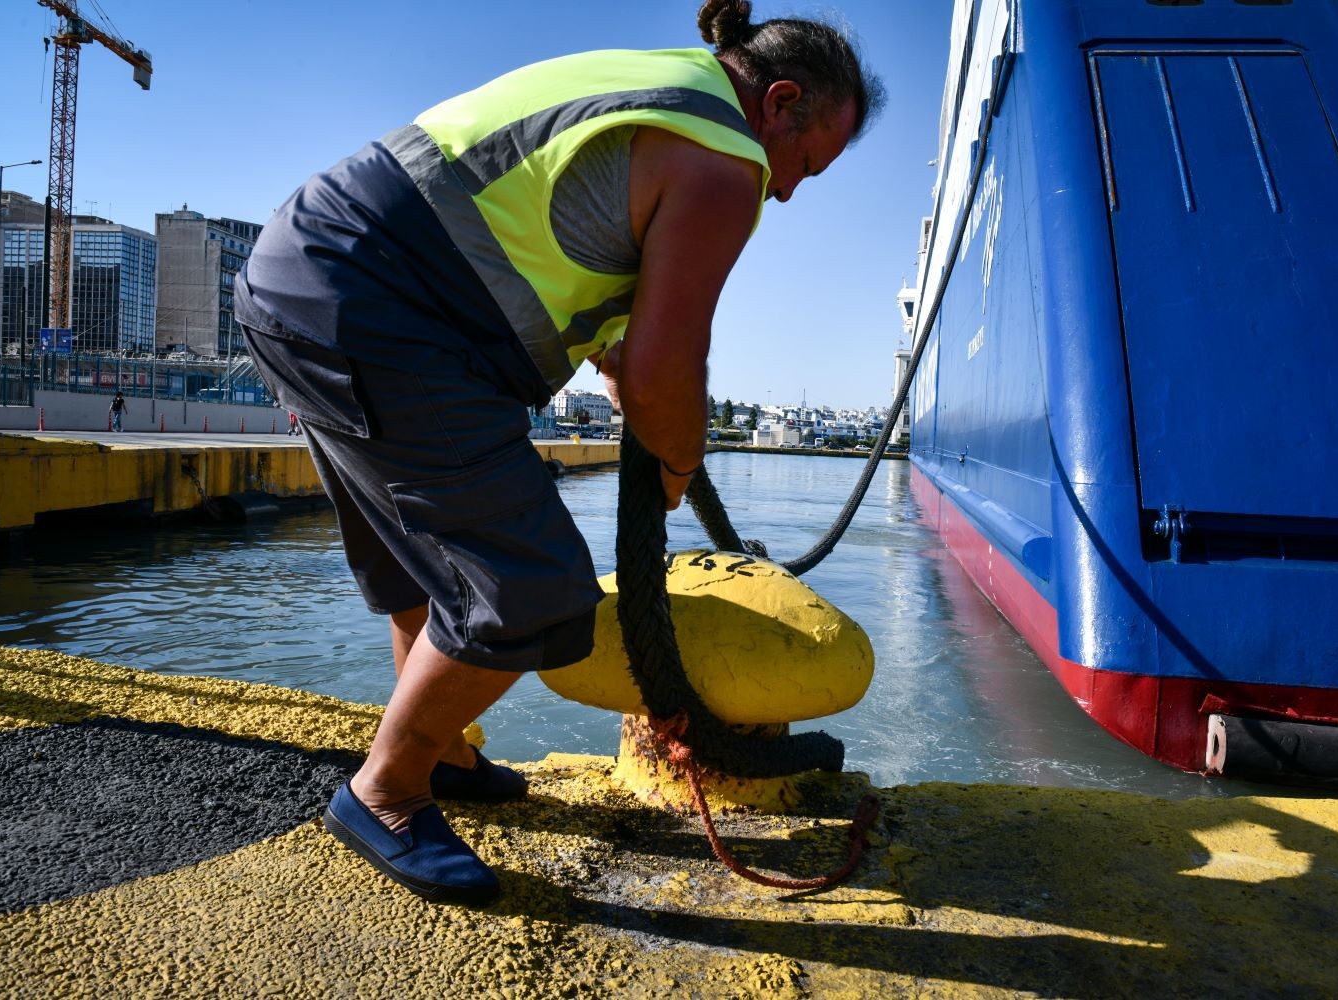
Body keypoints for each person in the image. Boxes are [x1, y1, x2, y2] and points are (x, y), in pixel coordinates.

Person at [235, 0, 882, 904]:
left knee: (426, 564)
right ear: (778, 104)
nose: (787, 192)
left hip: (308, 274)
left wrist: (624, 370)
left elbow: (598, 306)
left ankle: (448, 755)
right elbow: (668, 370)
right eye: (805, 165)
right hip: (387, 310)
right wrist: (676, 464)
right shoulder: (725, 159)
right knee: (531, 585)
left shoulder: (652, 86)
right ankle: (385, 790)